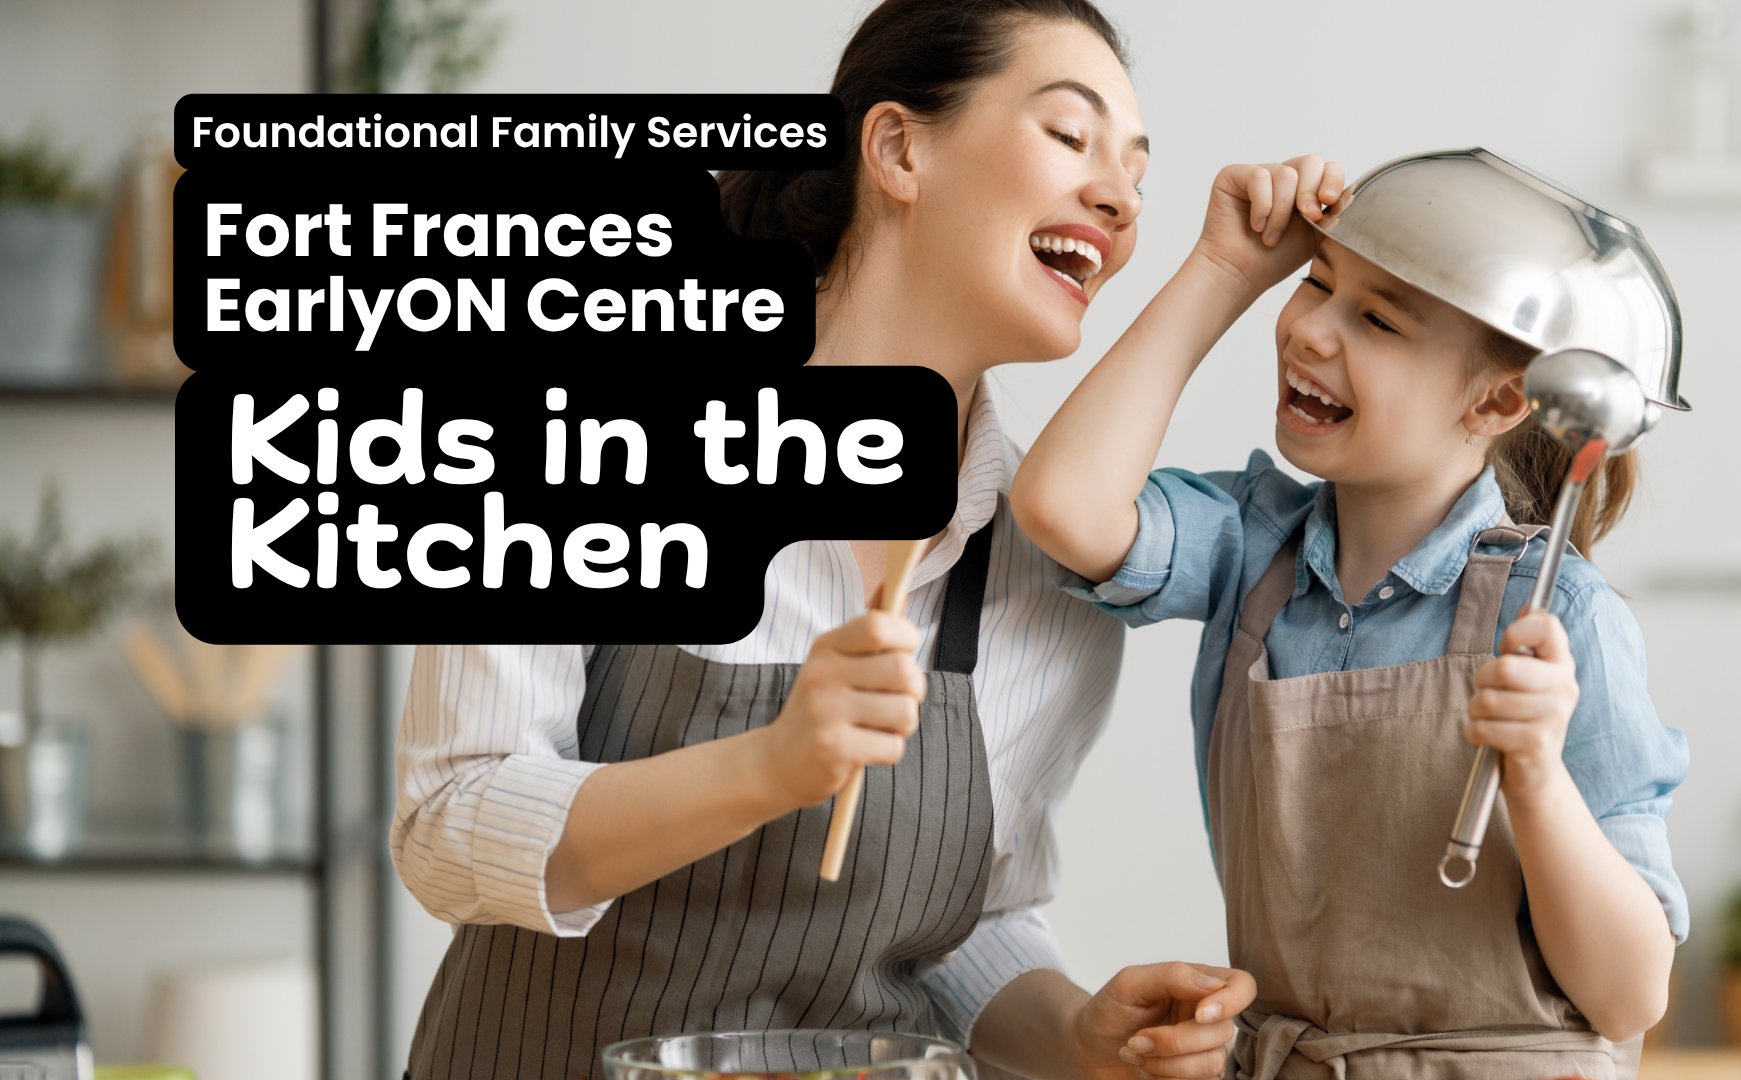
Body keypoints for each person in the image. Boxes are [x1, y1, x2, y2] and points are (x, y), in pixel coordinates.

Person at [392, 3, 1279, 1078]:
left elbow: (962, 926)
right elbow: (450, 824)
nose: (1120, 197)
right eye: (1069, 135)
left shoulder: (1044, 569)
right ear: (900, 149)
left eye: (1137, 168)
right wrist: (768, 765)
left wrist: (1079, 1037)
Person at [1009, 152, 1691, 1079]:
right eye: (1316, 281)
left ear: (1498, 399)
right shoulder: (1250, 550)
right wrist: (1224, 272)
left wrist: (1534, 778)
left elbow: (1629, 994)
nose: (1310, 331)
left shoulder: (1560, 614)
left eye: (1375, 318)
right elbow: (1061, 507)